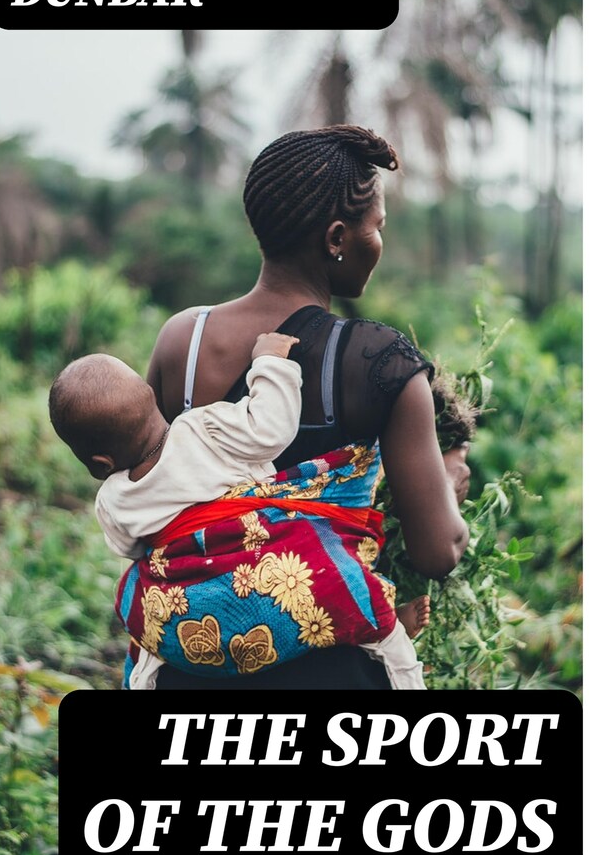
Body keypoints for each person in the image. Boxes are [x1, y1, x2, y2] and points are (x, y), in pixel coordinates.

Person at [137, 124, 471, 690]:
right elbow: (438, 551)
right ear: (337, 237)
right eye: (378, 228)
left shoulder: (182, 343)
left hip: (191, 667)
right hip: (330, 677)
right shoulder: (380, 361)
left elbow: (151, 494)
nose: (379, 243)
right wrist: (449, 475)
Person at [48, 331, 430, 690]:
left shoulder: (113, 498)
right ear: (150, 396)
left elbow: (132, 550)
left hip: (193, 617)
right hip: (273, 580)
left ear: (99, 464)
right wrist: (270, 360)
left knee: (144, 630)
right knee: (354, 591)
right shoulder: (203, 428)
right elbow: (270, 428)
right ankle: (398, 653)